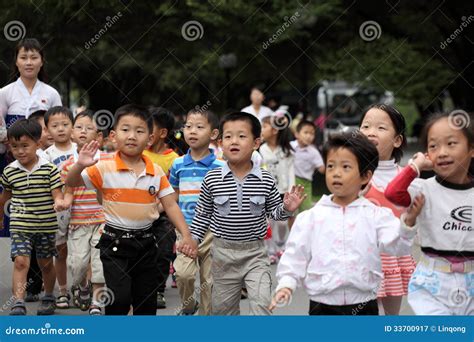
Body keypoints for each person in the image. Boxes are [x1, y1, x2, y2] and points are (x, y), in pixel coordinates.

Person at [65, 104, 197, 315]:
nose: (132, 136)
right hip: (114, 244)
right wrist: (80, 164)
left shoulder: (155, 171)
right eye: (125, 129)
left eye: (139, 130)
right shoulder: (104, 167)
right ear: (113, 136)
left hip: (146, 244)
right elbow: (71, 182)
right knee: (119, 299)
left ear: (149, 138)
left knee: (146, 303)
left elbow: (171, 204)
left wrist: (187, 236)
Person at [270, 132, 417, 315]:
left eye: (346, 167)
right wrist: (286, 284)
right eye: (331, 166)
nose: (336, 173)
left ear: (365, 176)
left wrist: (408, 223)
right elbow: (295, 255)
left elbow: (398, 246)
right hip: (321, 304)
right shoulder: (310, 218)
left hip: (364, 303)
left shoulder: (376, 215)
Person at [189, 111, 305, 315]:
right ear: (220, 143)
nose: (234, 141)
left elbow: (274, 214)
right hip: (222, 254)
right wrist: (192, 240)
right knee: (223, 312)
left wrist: (287, 208)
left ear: (256, 142)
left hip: (256, 254)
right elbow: (202, 215)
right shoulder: (212, 179)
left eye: (242, 136)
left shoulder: (266, 180)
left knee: (261, 305)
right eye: (228, 136)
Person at [385, 111, 473, 315]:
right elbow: (393, 192)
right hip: (433, 282)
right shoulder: (424, 189)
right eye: (433, 146)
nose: (441, 152)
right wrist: (415, 166)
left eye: (451, 144)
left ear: (471, 149)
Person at [0, 119, 64, 315]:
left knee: (45, 264)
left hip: (45, 225)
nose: (19, 151)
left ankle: (49, 296)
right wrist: (1, 217)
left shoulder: (50, 169)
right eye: (15, 146)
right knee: (21, 262)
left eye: (25, 146)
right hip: (21, 225)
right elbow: (4, 198)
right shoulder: (9, 171)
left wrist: (59, 202)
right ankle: (18, 302)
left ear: (38, 144)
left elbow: (57, 195)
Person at [358, 104, 416, 315]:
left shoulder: (406, 178)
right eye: (365, 126)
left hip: (393, 257)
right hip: (361, 256)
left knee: (391, 319)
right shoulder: (352, 174)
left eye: (381, 128)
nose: (371, 132)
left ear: (397, 140)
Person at [0, 38, 61, 238]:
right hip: (12, 158)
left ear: (41, 61)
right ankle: (16, 249)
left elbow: (58, 124)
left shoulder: (51, 93)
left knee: (42, 201)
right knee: (13, 201)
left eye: (34, 57)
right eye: (23, 57)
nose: (29, 62)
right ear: (16, 61)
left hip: (44, 160)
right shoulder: (5, 92)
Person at [171, 109, 224, 315]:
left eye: (200, 127)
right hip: (185, 229)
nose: (192, 131)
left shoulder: (221, 167)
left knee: (209, 281)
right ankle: (187, 306)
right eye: (188, 126)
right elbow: (173, 196)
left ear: (213, 134)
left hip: (213, 231)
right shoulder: (177, 164)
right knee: (184, 274)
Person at [58, 110, 108, 315]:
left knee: (98, 263)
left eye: (89, 128)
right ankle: (82, 285)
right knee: (77, 266)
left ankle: (96, 302)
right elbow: (68, 191)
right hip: (78, 222)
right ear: (71, 133)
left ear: (99, 137)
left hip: (102, 220)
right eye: (79, 127)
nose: (83, 131)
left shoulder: (106, 160)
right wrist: (63, 202)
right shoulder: (68, 164)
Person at [43, 106, 76, 309]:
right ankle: (63, 291)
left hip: (81, 207)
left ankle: (84, 287)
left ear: (72, 126)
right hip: (58, 209)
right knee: (60, 252)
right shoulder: (45, 155)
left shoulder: (79, 150)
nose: (61, 129)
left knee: (84, 252)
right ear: (47, 130)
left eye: (65, 124)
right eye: (55, 125)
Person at [259, 114, 295, 263]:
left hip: (283, 191)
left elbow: (290, 171)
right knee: (268, 222)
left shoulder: (287, 151)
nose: (261, 130)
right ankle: (270, 250)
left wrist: (292, 190)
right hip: (267, 192)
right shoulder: (261, 150)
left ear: (274, 130)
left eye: (264, 126)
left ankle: (281, 244)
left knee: (281, 222)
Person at [290, 120, 325, 212]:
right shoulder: (290, 146)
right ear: (297, 134)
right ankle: (292, 226)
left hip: (305, 184)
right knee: (291, 212)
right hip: (290, 182)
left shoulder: (313, 152)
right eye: (306, 132)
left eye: (312, 133)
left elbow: (322, 169)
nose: (309, 136)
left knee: (305, 210)